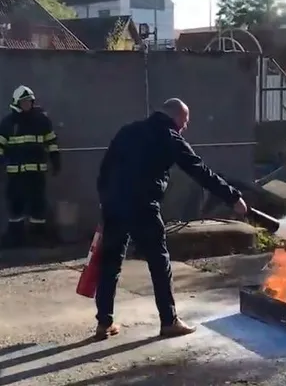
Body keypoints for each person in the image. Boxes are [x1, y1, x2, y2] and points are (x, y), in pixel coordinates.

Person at [95, 98, 247, 340]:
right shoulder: (169, 136)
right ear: (175, 116)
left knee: (110, 262)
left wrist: (106, 201)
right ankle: (169, 321)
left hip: (114, 205)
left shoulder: (127, 131)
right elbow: (199, 170)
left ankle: (104, 323)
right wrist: (232, 198)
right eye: (184, 121)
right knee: (159, 261)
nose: (185, 127)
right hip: (143, 205)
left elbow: (104, 169)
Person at [0, 85, 61, 247]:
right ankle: (16, 238)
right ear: (16, 103)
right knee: (16, 205)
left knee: (38, 204)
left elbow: (51, 142)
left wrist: (55, 159)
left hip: (36, 173)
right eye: (24, 102)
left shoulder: (42, 121)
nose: (27, 105)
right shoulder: (8, 123)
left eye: (29, 102)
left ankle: (38, 237)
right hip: (15, 174)